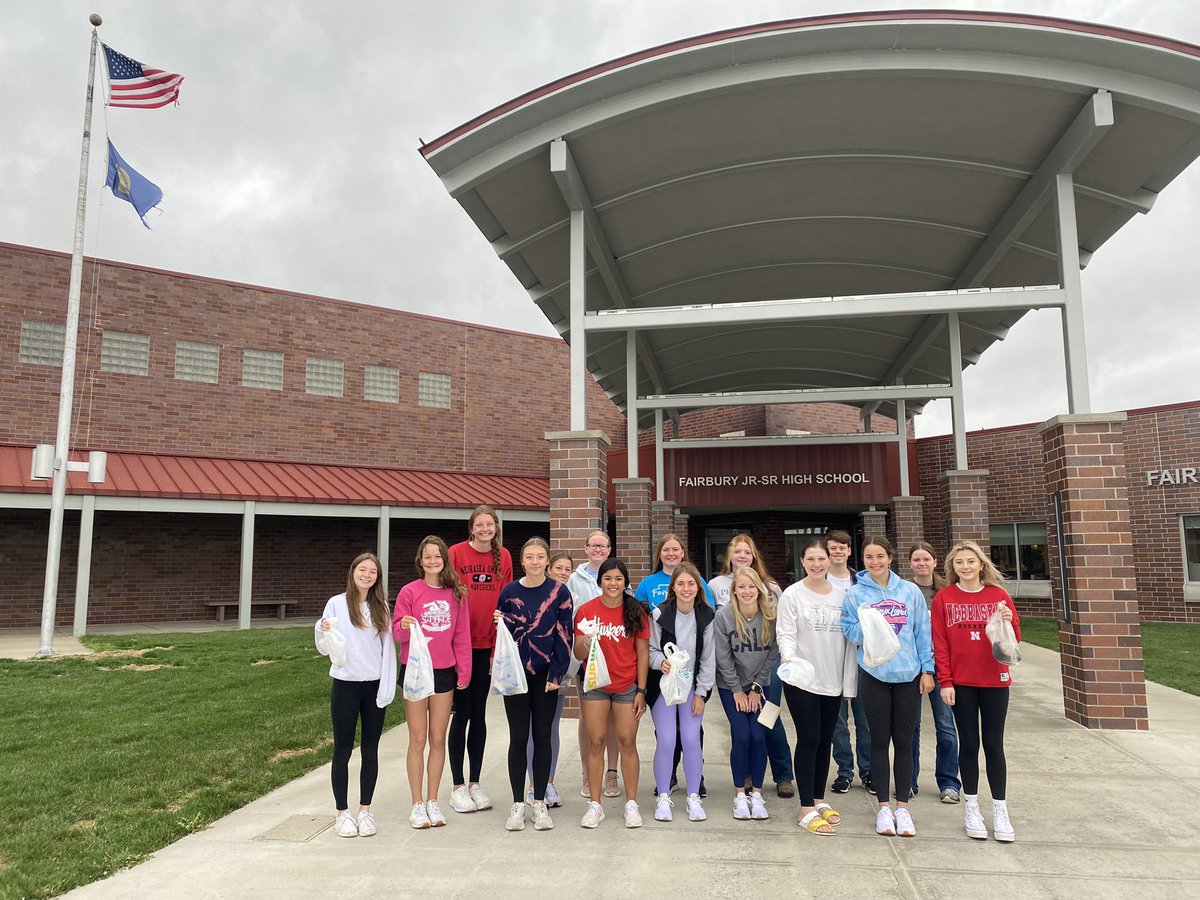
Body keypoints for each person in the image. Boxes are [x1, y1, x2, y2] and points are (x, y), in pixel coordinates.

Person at [841, 536, 935, 838]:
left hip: (908, 675)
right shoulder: (856, 594)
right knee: (878, 742)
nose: (875, 562)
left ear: (890, 558)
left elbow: (923, 632)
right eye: (869, 557)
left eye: (880, 556)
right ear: (864, 560)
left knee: (905, 742)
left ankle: (903, 808)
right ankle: (884, 808)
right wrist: (868, 623)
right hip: (874, 675)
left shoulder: (909, 591)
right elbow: (849, 631)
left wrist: (927, 670)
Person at [932, 540, 1021, 843]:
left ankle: (1000, 809)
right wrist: (946, 681)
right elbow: (940, 643)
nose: (965, 567)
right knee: (968, 744)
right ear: (952, 567)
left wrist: (1008, 621)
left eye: (971, 561)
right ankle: (971, 806)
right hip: (962, 683)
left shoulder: (999, 596)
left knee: (994, 745)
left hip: (995, 680)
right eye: (959, 563)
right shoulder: (944, 598)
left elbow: (1013, 643)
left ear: (981, 564)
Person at [777, 538, 857, 835]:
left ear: (829, 560)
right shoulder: (792, 594)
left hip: (832, 680)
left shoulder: (842, 595)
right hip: (802, 681)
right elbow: (785, 632)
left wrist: (848, 683)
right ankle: (806, 806)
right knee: (809, 738)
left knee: (826, 740)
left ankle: (820, 800)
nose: (817, 564)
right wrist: (788, 657)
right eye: (811, 559)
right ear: (803, 561)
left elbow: (849, 641)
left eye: (821, 558)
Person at [494, 537, 574, 832]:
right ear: (522, 560)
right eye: (530, 556)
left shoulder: (559, 592)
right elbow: (504, 634)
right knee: (518, 738)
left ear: (547, 561)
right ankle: (518, 803)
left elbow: (565, 636)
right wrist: (498, 623)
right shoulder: (509, 591)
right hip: (516, 675)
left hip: (545, 677)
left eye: (541, 556)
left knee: (542, 736)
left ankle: (539, 802)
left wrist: (557, 674)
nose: (535, 561)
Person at [393, 537, 472, 829]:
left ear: (444, 560)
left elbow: (462, 636)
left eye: (437, 557)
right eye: (427, 557)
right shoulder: (409, 592)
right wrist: (402, 626)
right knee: (418, 739)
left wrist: (464, 671)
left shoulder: (456, 594)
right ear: (420, 560)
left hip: (443, 672)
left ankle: (433, 800)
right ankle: (416, 804)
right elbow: (397, 634)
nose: (432, 561)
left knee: (438, 738)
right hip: (415, 671)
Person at [316, 552, 397, 838]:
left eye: (372, 571)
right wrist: (322, 628)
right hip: (346, 685)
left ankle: (365, 811)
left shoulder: (381, 608)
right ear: (353, 572)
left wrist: (387, 685)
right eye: (362, 570)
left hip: (373, 686)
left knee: (370, 750)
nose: (367, 575)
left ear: (377, 577)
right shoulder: (337, 604)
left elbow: (388, 651)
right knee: (343, 749)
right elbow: (325, 645)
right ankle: (342, 812)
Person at [709, 533, 795, 799]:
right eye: (737, 551)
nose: (742, 555)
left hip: (766, 674)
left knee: (770, 721)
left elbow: (776, 641)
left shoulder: (771, 588)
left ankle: (783, 776)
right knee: (743, 729)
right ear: (729, 556)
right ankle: (745, 775)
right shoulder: (716, 586)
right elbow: (721, 650)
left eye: (747, 551)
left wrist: (758, 685)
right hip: (734, 674)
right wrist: (737, 688)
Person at [447, 505, 513, 814]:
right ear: (471, 528)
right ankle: (457, 786)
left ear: (495, 528)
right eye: (480, 524)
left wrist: (496, 651)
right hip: (459, 645)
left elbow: (506, 603)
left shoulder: (505, 557)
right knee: (461, 714)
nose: (485, 528)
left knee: (479, 714)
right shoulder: (456, 553)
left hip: (488, 645)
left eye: (490, 524)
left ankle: (475, 782)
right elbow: (446, 597)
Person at [574, 558, 649, 829]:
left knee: (627, 741)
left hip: (627, 686)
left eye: (618, 578)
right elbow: (578, 654)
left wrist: (641, 690)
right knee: (596, 741)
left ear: (625, 582)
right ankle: (595, 804)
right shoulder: (586, 611)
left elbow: (642, 654)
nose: (613, 583)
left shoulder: (635, 611)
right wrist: (585, 640)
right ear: (599, 581)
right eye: (607, 578)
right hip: (595, 686)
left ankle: (631, 803)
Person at [648, 561, 715, 823]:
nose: (686, 588)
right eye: (680, 584)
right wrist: (660, 662)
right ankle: (663, 796)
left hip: (691, 688)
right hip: (665, 686)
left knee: (690, 738)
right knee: (666, 739)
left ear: (698, 587)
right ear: (673, 588)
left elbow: (708, 659)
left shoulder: (707, 616)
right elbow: (651, 650)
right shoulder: (659, 615)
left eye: (691, 584)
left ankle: (694, 796)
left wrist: (702, 693)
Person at [714, 566, 778, 821]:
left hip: (761, 686)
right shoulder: (724, 615)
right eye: (742, 587)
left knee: (759, 736)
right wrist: (738, 690)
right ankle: (740, 794)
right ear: (734, 590)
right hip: (730, 686)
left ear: (759, 589)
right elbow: (723, 656)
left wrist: (756, 688)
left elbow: (773, 652)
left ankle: (757, 794)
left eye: (751, 586)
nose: (747, 591)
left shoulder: (770, 614)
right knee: (742, 736)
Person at [566, 531, 622, 799]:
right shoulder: (573, 580)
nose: (598, 549)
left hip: (614, 658)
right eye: (593, 545)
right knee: (587, 716)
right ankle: (589, 774)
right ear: (586, 549)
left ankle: (611, 773)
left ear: (609, 550)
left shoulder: (617, 575)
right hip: (586, 659)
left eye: (603, 545)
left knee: (612, 717)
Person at [908, 541, 962, 803]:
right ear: (910, 564)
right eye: (916, 560)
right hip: (912, 666)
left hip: (942, 666)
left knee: (945, 725)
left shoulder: (948, 591)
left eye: (925, 559)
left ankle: (949, 782)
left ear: (934, 562)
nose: (921, 564)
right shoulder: (905, 591)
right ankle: (909, 780)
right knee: (911, 726)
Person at [521, 550, 575, 807]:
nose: (563, 573)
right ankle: (533, 786)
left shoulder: (568, 596)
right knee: (532, 730)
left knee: (550, 728)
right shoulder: (538, 595)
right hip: (533, 671)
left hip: (559, 673)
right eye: (559, 568)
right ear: (548, 568)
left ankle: (548, 782)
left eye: (568, 569)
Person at [826, 529, 872, 795]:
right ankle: (845, 771)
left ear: (849, 551)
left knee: (866, 720)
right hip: (832, 658)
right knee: (837, 723)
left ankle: (868, 772)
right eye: (832, 548)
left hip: (863, 659)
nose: (837, 552)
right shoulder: (819, 581)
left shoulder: (862, 582)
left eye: (842, 548)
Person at [635, 533, 715, 608]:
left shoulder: (697, 580)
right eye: (666, 550)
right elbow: (637, 615)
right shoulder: (646, 584)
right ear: (659, 554)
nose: (671, 553)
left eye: (675, 549)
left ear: (682, 553)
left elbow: (709, 610)